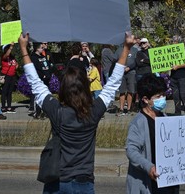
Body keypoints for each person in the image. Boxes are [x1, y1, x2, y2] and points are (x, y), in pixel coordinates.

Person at [18, 32, 135, 194]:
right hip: (83, 183)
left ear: (63, 89)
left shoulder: (56, 111)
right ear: (86, 89)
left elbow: (36, 83)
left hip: (57, 182)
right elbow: (113, 84)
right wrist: (126, 48)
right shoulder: (93, 111)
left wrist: (23, 49)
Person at [126, 73, 185, 194]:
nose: (162, 99)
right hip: (150, 185)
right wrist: (149, 167)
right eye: (158, 96)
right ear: (146, 99)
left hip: (169, 183)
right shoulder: (139, 123)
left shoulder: (166, 118)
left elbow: (179, 147)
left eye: (163, 95)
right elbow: (131, 151)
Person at [170, 35, 185, 115]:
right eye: (172, 41)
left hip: (182, 77)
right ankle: (177, 113)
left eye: (174, 42)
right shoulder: (171, 52)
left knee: (183, 95)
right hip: (173, 77)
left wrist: (178, 66)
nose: (173, 43)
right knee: (175, 96)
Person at [30, 42, 53, 119]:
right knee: (38, 96)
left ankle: (44, 112)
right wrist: (42, 74)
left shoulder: (43, 56)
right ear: (37, 48)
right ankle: (37, 112)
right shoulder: (34, 57)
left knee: (45, 95)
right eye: (41, 48)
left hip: (46, 78)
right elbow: (36, 68)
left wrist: (49, 73)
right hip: (40, 78)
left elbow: (48, 65)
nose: (43, 49)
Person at [114, 44, 138, 116]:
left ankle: (129, 109)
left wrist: (129, 68)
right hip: (121, 73)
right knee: (122, 91)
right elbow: (115, 59)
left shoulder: (134, 50)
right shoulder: (119, 49)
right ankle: (121, 109)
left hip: (131, 72)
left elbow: (136, 62)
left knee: (130, 91)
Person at [0, 43, 19, 113]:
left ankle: (9, 107)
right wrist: (11, 46)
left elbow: (16, 63)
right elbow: (7, 55)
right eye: (7, 48)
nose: (9, 49)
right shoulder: (4, 56)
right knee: (4, 91)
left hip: (12, 76)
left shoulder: (12, 57)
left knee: (10, 92)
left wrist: (16, 65)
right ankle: (3, 107)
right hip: (6, 75)